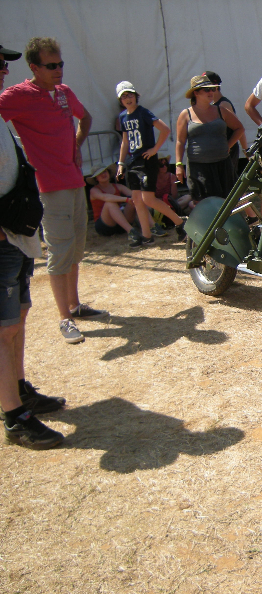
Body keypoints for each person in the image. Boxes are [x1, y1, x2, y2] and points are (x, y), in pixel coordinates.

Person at [0, 37, 107, 344]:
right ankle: (64, 318)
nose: (59, 70)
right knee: (60, 251)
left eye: (60, 64)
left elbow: (85, 117)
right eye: (51, 66)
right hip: (48, 186)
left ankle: (74, 305)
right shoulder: (17, 95)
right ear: (34, 67)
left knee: (75, 248)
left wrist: (77, 144)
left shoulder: (64, 92)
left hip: (73, 181)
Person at [0, 42, 65, 449]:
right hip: (3, 235)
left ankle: (19, 389)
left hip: (16, 235)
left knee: (18, 316)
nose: (4, 71)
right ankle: (13, 415)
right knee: (3, 328)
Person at [115, 81, 185, 246]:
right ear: (120, 100)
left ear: (136, 96)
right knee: (137, 199)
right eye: (124, 96)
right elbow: (125, 141)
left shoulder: (143, 112)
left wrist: (154, 149)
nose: (128, 99)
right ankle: (147, 236)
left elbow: (165, 129)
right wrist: (121, 163)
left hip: (147, 160)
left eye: (130, 95)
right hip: (133, 161)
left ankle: (180, 222)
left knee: (148, 199)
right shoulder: (123, 116)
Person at [175, 74, 245, 204]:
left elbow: (239, 128)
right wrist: (178, 164)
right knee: (202, 203)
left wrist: (228, 145)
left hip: (222, 164)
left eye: (213, 89)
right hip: (198, 167)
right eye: (207, 89)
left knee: (227, 201)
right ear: (196, 93)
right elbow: (180, 141)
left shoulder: (221, 110)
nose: (211, 92)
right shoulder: (186, 114)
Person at [87, 163, 160, 246]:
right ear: (96, 178)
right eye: (99, 174)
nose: (103, 175)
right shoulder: (94, 190)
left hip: (121, 225)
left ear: (109, 173)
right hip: (105, 225)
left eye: (104, 172)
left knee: (135, 200)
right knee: (110, 203)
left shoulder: (118, 186)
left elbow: (135, 196)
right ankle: (131, 231)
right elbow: (106, 197)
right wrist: (126, 199)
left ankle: (153, 226)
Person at [203, 71, 247, 177]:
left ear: (215, 86)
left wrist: (245, 150)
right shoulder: (213, 105)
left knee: (228, 180)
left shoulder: (223, 104)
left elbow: (239, 128)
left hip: (228, 150)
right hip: (219, 151)